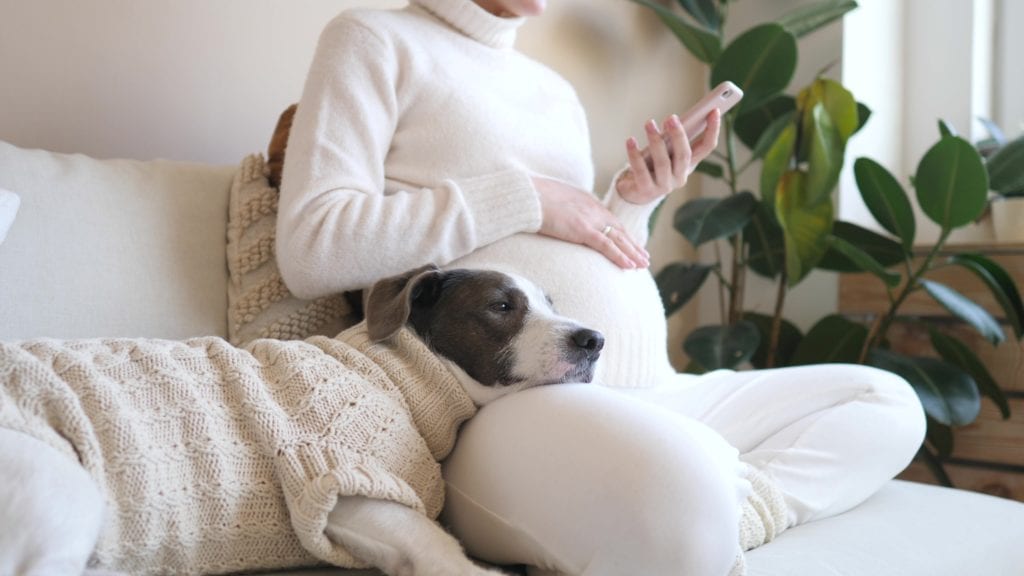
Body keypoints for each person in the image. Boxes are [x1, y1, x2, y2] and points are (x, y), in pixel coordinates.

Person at [276, 0, 927, 574]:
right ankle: (694, 499)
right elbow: (311, 246)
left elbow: (569, 250)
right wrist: (525, 196)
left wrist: (631, 205)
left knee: (888, 402)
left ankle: (739, 510)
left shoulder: (553, 91)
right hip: (501, 408)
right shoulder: (372, 38)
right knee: (682, 491)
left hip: (652, 387)